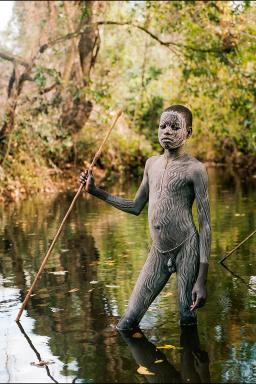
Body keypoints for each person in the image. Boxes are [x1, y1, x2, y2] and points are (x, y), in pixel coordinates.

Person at [80, 104, 211, 330]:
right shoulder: (151, 164)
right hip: (158, 251)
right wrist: (96, 191)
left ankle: (192, 362)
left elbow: (206, 225)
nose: (167, 131)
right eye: (162, 126)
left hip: (187, 248)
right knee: (126, 324)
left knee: (187, 319)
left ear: (188, 132)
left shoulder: (195, 169)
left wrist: (201, 278)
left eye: (174, 126)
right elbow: (135, 206)